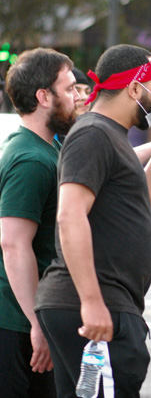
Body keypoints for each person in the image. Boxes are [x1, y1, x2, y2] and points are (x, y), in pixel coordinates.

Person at [34, 44, 151, 397]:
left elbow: (138, 206)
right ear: (134, 88)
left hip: (108, 301)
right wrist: (91, 302)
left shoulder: (112, 135)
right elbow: (69, 214)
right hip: (92, 302)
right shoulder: (93, 133)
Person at [0, 48, 79, 398]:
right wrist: (37, 324)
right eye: (70, 88)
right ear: (44, 96)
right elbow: (14, 243)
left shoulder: (48, 149)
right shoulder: (31, 159)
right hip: (16, 328)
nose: (77, 97)